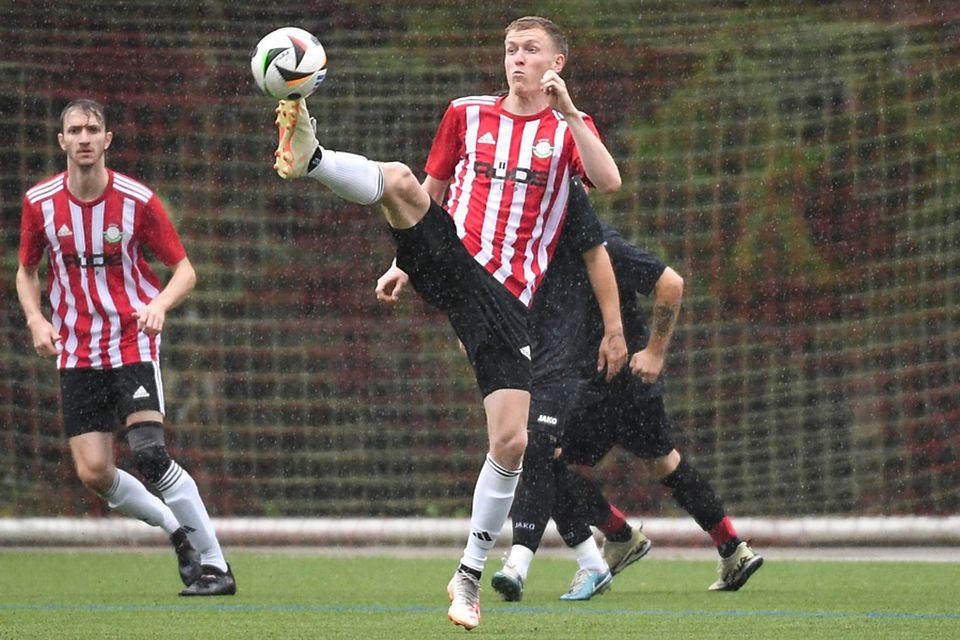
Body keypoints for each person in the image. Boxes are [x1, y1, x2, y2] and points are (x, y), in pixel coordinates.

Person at [273, 15, 627, 630]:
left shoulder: (569, 130)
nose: (518, 59)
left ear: (556, 64)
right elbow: (429, 189)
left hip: (510, 301)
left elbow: (609, 180)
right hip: (456, 257)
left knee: (511, 441)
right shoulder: (465, 113)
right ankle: (312, 156)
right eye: (511, 49)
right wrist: (401, 262)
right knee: (402, 180)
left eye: (531, 51)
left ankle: (467, 574)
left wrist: (570, 112)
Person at [16, 99, 236, 597]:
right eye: (75, 130)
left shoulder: (136, 200)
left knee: (150, 454)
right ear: (62, 142)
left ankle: (216, 566)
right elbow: (26, 271)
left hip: (132, 342)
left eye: (93, 128)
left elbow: (185, 271)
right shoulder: (40, 203)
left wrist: (159, 304)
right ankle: (175, 530)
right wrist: (35, 318)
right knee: (94, 471)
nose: (85, 137)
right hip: (76, 351)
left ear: (108, 138)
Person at [491, 221, 763, 600]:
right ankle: (732, 546)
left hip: (604, 386)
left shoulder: (600, 245)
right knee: (665, 463)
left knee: (542, 458)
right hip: (620, 388)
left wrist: (655, 353)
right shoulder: (536, 248)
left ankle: (618, 535)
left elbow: (671, 284)